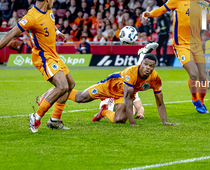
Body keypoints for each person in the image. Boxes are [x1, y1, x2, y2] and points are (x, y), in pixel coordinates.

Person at [0, 0, 75, 133]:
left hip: (53, 54)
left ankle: (54, 120)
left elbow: (50, 24)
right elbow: (11, 34)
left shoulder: (48, 9)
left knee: (70, 84)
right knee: (62, 86)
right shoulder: (31, 17)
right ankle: (36, 116)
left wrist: (58, 32)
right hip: (43, 57)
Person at [39, 47, 175, 126]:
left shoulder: (155, 78)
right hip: (109, 86)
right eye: (145, 64)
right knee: (81, 98)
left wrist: (165, 122)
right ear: (141, 64)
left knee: (120, 120)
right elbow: (128, 99)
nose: (148, 68)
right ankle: (54, 91)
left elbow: (160, 103)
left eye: (151, 66)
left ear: (154, 67)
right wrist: (133, 123)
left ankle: (103, 111)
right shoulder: (131, 72)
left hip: (120, 94)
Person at [142, 0, 209, 114]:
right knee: (194, 73)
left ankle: (201, 101)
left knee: (203, 76)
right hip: (181, 45)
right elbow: (161, 9)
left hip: (196, 44)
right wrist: (150, 14)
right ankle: (195, 100)